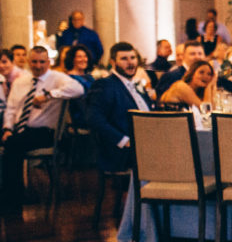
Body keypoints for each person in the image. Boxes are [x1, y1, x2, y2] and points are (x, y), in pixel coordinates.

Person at [1, 46, 85, 212]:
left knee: (12, 146)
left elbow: (78, 89)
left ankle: (12, 199)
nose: (38, 66)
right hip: (21, 130)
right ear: (28, 62)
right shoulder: (21, 81)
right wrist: (7, 129)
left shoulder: (58, 78)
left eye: (42, 62)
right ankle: (12, 194)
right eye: (34, 62)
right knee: (11, 142)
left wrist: (49, 95)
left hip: (45, 131)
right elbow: (11, 109)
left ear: (48, 62)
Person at [87, 42, 153, 173]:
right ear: (113, 62)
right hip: (122, 151)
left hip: (146, 143)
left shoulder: (137, 85)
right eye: (124, 59)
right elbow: (94, 119)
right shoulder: (104, 85)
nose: (130, 63)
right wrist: (124, 141)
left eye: (133, 58)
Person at [62, 45, 95, 127]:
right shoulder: (69, 78)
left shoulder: (89, 77)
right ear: (72, 59)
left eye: (85, 56)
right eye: (79, 57)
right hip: (79, 119)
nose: (83, 59)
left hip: (93, 117)